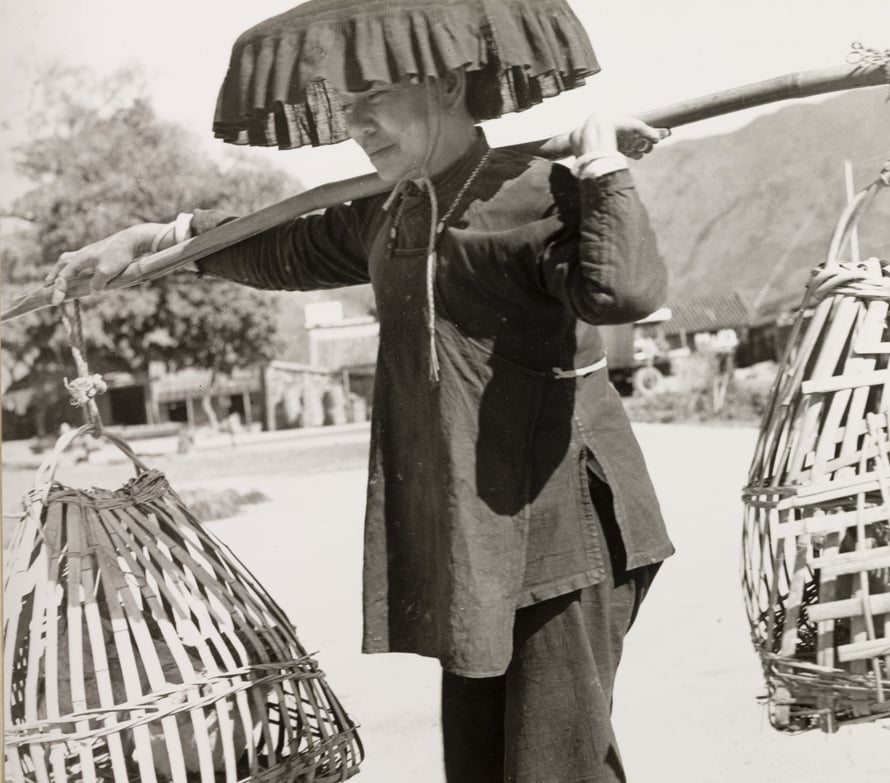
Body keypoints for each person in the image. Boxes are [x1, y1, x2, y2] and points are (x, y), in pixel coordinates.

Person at [45, 2, 675, 780]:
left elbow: (623, 293)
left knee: (555, 765)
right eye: (347, 106)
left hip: (562, 528)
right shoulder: (394, 212)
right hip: (475, 542)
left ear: (445, 82)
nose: (358, 123)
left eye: (374, 96)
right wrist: (158, 240)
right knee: (484, 766)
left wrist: (603, 164)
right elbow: (281, 248)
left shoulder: (538, 192)